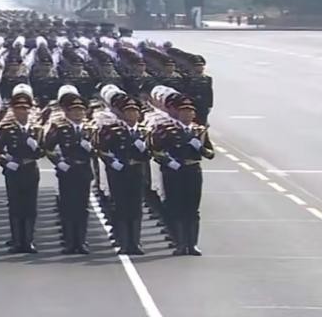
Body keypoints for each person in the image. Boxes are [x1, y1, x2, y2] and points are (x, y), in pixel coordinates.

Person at [151, 94, 214, 256]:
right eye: (184, 111)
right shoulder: (165, 129)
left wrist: (200, 147)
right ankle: (180, 244)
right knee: (176, 208)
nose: (187, 114)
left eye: (190, 111)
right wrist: (169, 162)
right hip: (174, 172)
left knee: (192, 209)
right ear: (177, 113)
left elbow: (210, 154)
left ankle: (192, 244)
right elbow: (156, 151)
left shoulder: (199, 131)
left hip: (192, 171)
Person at [0, 84, 43, 253]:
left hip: (30, 170)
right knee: (15, 206)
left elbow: (45, 150)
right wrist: (6, 163)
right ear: (13, 110)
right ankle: (16, 241)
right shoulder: (7, 129)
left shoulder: (36, 129)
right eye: (19, 109)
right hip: (14, 171)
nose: (22, 112)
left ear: (30, 110)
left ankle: (28, 241)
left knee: (30, 207)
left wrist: (36, 147)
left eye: (25, 109)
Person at [44, 90, 95, 254]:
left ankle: (81, 241)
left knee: (82, 207)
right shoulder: (59, 127)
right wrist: (59, 162)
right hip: (67, 171)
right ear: (67, 112)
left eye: (81, 110)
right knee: (67, 207)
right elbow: (48, 148)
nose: (78, 113)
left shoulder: (90, 129)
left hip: (84, 171)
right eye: (74, 110)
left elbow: (101, 149)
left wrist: (91, 149)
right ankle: (69, 242)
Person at [97, 95, 150, 255]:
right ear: (122, 113)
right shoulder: (112, 130)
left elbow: (152, 152)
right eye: (128, 111)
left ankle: (136, 242)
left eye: (135, 111)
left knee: (136, 208)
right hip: (119, 173)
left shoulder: (144, 132)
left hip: (137, 172)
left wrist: (144, 149)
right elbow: (102, 149)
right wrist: (112, 162)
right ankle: (124, 243)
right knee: (121, 207)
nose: (132, 114)